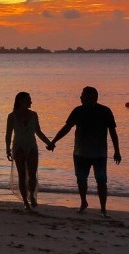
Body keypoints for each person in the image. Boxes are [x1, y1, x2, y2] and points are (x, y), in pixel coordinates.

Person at [49, 86, 121, 217]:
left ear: (91, 97)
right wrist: (54, 141)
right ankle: (83, 202)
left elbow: (113, 132)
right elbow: (67, 127)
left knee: (101, 180)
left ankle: (103, 209)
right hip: (80, 152)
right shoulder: (78, 110)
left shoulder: (105, 111)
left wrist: (117, 151)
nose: (80, 97)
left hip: (99, 153)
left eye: (82, 95)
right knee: (81, 179)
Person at [4, 91, 53, 210]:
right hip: (18, 147)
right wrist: (7, 149)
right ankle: (25, 201)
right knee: (22, 175)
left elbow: (38, 132)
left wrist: (49, 143)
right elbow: (8, 134)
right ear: (20, 101)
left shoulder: (34, 115)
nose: (31, 102)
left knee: (32, 175)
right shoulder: (12, 116)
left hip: (31, 146)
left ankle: (32, 194)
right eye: (28, 100)